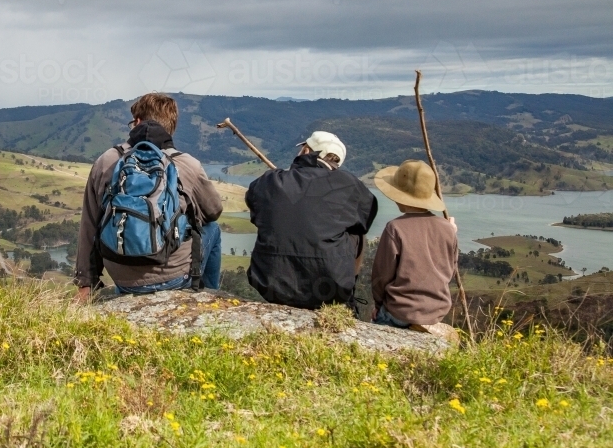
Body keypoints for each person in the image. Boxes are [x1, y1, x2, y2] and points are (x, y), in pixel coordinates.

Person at [74, 93, 223, 300]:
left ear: (136, 122)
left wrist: (86, 282)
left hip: (121, 277)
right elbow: (213, 211)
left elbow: (90, 225)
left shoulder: (107, 160)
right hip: (174, 277)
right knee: (213, 230)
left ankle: (127, 294)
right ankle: (208, 297)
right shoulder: (187, 164)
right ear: (170, 127)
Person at [245, 131, 378, 309]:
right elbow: (366, 219)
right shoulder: (351, 185)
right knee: (357, 233)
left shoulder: (270, 181)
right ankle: (348, 297)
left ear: (306, 151)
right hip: (330, 290)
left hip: (269, 285)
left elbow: (256, 210)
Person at [370, 159, 459, 328]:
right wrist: (450, 231)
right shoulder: (448, 229)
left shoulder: (395, 228)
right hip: (436, 312)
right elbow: (450, 270)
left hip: (400, 312)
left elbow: (381, 275)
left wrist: (378, 304)